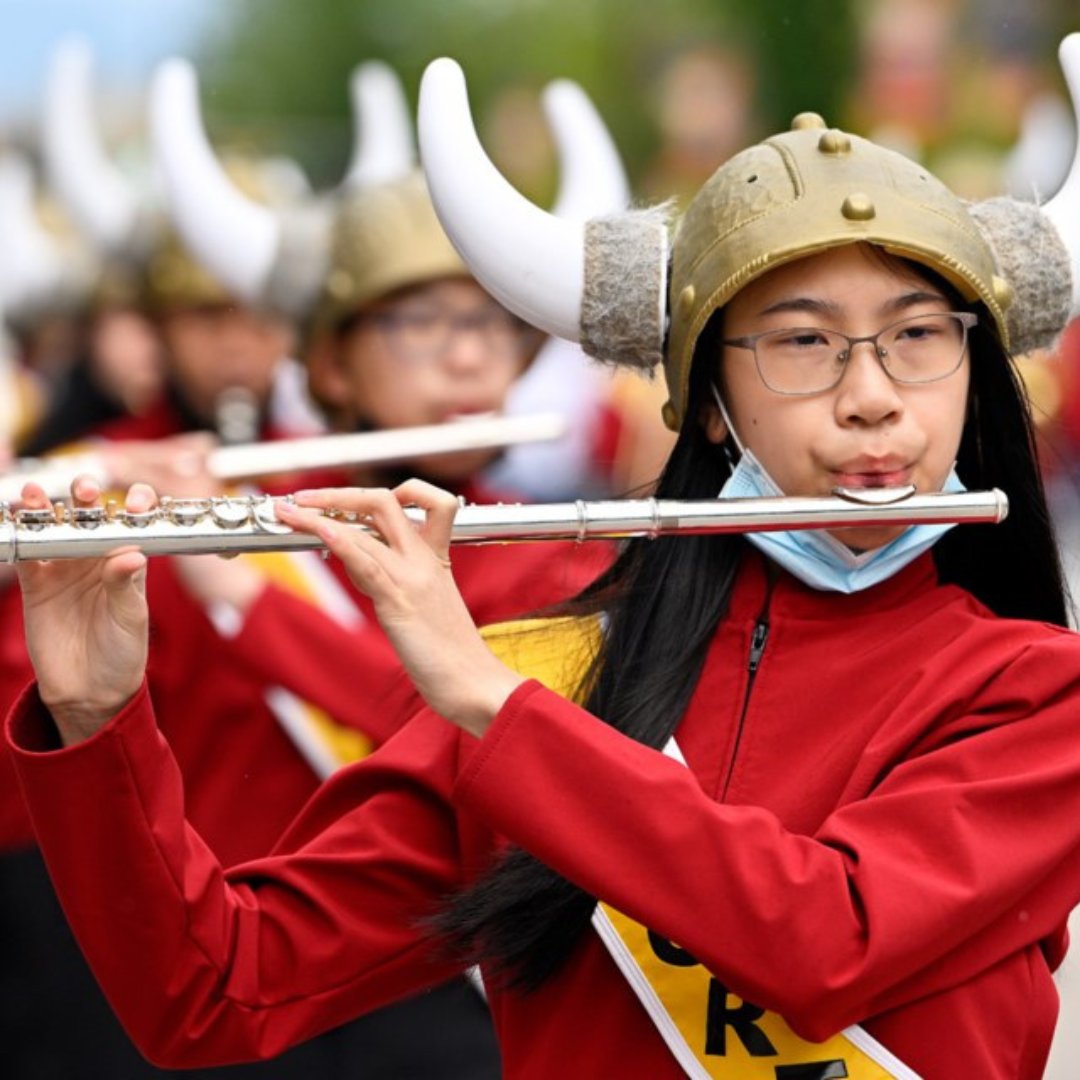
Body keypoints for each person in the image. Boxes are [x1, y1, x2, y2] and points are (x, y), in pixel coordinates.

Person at [8, 36, 1080, 1079]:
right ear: (710, 405)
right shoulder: (558, 668)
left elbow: (826, 941)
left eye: (919, 336)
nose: (873, 396)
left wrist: (490, 700)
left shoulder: (1037, 694)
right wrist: (97, 722)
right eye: (803, 341)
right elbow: (214, 990)